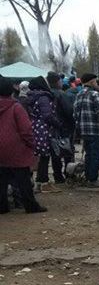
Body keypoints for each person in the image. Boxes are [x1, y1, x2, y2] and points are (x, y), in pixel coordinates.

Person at [0, 76, 46, 214]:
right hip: (16, 148)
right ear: (12, 90)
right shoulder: (16, 107)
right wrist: (32, 144)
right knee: (23, 179)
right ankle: (31, 206)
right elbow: (26, 130)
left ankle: (2, 206)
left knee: (1, 180)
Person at [26, 76, 63, 193]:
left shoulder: (31, 96)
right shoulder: (43, 97)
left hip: (34, 127)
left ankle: (39, 182)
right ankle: (44, 183)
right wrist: (58, 124)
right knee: (44, 156)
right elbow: (47, 115)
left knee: (40, 155)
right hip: (43, 128)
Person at [73, 73, 99, 187]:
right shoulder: (95, 95)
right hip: (96, 130)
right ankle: (92, 179)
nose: (97, 84)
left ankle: (88, 177)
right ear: (92, 82)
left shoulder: (79, 94)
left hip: (83, 130)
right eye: (96, 82)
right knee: (97, 154)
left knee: (89, 154)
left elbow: (75, 114)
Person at [47, 72, 75, 181]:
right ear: (58, 81)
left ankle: (57, 175)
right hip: (63, 126)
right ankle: (69, 174)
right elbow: (68, 111)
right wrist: (71, 124)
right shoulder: (61, 94)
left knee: (55, 153)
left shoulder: (46, 94)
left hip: (50, 127)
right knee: (67, 151)